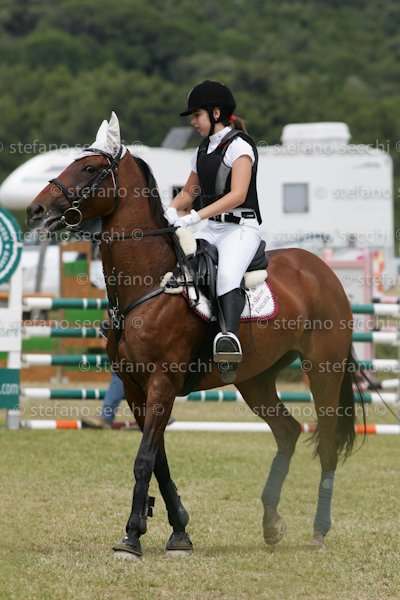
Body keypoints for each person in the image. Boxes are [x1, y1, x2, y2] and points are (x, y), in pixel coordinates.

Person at [165, 80, 262, 379]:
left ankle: (229, 341)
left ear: (216, 113)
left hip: (241, 228)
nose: (193, 122)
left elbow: (237, 194)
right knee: (180, 267)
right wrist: (169, 211)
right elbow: (189, 193)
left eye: (197, 115)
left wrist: (193, 217)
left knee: (227, 277)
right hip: (213, 228)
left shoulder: (240, 147)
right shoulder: (202, 150)